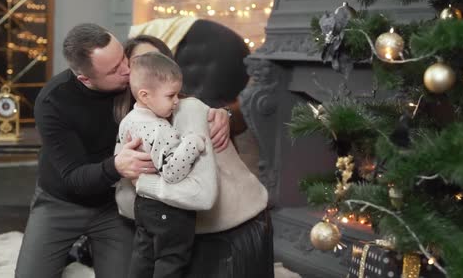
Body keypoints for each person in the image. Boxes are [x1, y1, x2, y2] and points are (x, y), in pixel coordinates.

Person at [15, 24, 230, 278]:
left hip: (115, 203)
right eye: (115, 69)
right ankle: (79, 251)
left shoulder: (135, 82)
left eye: (124, 58)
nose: (127, 70)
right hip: (61, 201)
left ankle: (85, 251)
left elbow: (176, 97)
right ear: (86, 79)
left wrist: (219, 114)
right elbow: (73, 177)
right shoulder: (53, 102)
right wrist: (115, 166)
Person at [116, 36, 273, 277]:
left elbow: (201, 196)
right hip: (183, 233)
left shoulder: (189, 110)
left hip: (234, 232)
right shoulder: (133, 121)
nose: (152, 68)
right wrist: (120, 166)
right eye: (140, 62)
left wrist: (144, 183)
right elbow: (125, 203)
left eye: (160, 61)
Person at [119, 52, 217, 277]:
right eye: (171, 95)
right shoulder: (160, 129)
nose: (176, 101)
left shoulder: (128, 120)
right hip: (169, 210)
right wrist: (193, 143)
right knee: (171, 261)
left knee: (143, 256)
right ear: (145, 95)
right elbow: (172, 173)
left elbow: (119, 154)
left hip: (142, 206)